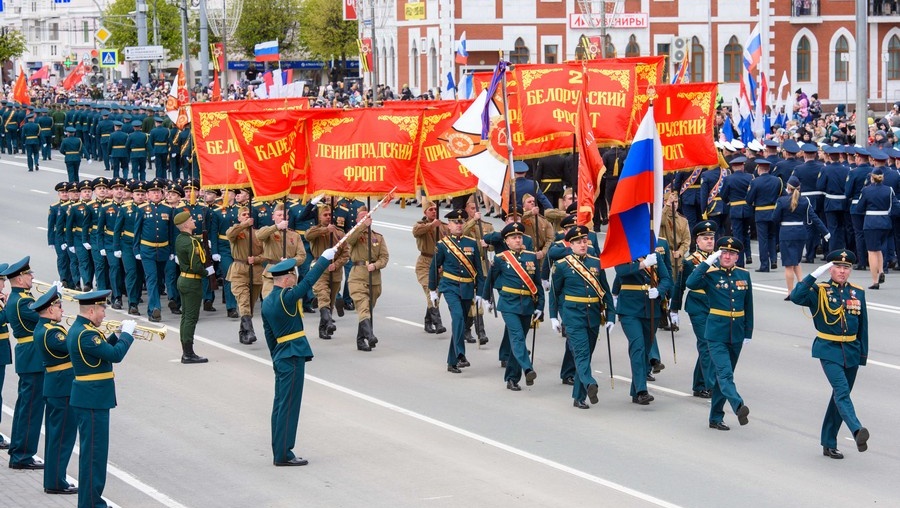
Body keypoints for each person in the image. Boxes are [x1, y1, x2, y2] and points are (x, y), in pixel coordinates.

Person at [789, 251, 870, 459]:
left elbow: (863, 327)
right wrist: (813, 276)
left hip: (851, 350)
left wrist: (862, 356)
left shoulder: (857, 293)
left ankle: (828, 442)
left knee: (839, 398)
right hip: (828, 349)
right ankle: (857, 430)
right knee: (842, 392)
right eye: (838, 267)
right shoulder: (819, 290)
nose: (842, 271)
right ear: (830, 269)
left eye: (846, 268)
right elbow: (796, 297)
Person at [262, 250, 335, 466]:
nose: (296, 280)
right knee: (289, 406)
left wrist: (276, 356)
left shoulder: (267, 301)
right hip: (293, 355)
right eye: (293, 276)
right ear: (286, 279)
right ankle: (283, 455)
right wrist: (323, 260)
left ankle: (279, 450)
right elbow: (308, 282)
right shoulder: (287, 297)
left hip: (281, 355)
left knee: (280, 404)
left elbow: (269, 336)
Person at [67, 290, 136, 508]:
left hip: (92, 399)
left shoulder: (83, 330)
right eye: (102, 310)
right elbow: (115, 355)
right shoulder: (86, 334)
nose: (104, 315)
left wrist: (115, 335)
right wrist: (127, 335)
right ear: (91, 310)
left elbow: (100, 353)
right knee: (94, 456)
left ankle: (91, 501)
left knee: (94, 454)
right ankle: (91, 503)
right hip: (92, 400)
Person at [685, 237, 753, 431]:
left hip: (737, 333)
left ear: (737, 257)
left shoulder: (743, 275)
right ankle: (738, 406)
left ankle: (715, 418)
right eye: (724, 252)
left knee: (726, 376)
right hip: (715, 333)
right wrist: (706, 263)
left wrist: (748, 332)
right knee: (724, 374)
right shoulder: (710, 274)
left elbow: (749, 305)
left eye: (731, 254)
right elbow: (690, 282)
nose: (727, 256)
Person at [549, 225, 615, 409]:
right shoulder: (562, 265)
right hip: (573, 316)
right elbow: (554, 293)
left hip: (593, 315)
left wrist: (611, 316)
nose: (583, 244)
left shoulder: (596, 263)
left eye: (584, 240)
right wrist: (553, 316)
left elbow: (606, 292)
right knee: (581, 353)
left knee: (586, 356)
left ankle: (579, 397)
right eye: (578, 242)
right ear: (570, 244)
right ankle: (590, 383)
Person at [483, 222, 544, 391]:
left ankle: (511, 378)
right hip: (509, 304)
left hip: (527, 305)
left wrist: (540, 305)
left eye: (519, 237)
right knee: (517, 338)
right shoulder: (501, 258)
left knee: (519, 341)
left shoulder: (530, 257)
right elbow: (491, 279)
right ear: (507, 241)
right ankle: (528, 368)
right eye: (513, 238)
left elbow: (537, 284)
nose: (517, 240)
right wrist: (487, 298)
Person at [30, 285, 77, 494]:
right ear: (50, 310)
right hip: (62, 387)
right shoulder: (52, 333)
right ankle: (56, 482)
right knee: (62, 438)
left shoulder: (44, 328)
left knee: (56, 436)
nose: (62, 311)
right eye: (59, 307)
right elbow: (75, 347)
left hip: (56, 385)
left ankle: (54, 479)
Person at [613, 246, 673, 405]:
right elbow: (620, 271)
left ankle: (635, 391)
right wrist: (642, 264)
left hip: (651, 308)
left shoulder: (655, 255)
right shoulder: (624, 252)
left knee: (645, 349)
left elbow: (667, 278)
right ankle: (642, 390)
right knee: (638, 346)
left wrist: (659, 290)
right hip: (629, 309)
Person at [1, 257, 46, 469]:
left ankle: (19, 449)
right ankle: (22, 456)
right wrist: (54, 298)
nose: (33, 277)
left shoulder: (20, 298)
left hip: (29, 356)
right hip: (33, 356)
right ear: (19, 278)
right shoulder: (21, 301)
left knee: (25, 406)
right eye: (29, 274)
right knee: (31, 408)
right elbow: (46, 317)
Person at [429, 209, 483, 372]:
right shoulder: (443, 245)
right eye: (455, 222)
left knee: (461, 323)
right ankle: (461, 355)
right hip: (450, 287)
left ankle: (451, 362)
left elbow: (479, 270)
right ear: (449, 226)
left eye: (461, 222)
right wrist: (433, 290)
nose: (459, 225)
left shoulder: (472, 243)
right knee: (458, 318)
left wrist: (481, 292)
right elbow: (434, 267)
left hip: (467, 288)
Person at [681, 221, 718, 399]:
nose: (709, 241)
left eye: (711, 238)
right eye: (705, 238)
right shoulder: (690, 262)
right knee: (706, 344)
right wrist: (673, 309)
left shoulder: (721, 258)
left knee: (708, 345)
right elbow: (679, 285)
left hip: (715, 306)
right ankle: (711, 384)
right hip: (697, 305)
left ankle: (699, 384)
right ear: (697, 240)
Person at [345, 207, 389, 352]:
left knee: (367, 310)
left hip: (374, 279)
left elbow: (384, 257)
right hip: (358, 277)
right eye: (362, 217)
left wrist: (376, 265)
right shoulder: (354, 234)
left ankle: (360, 340)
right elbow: (350, 240)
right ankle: (370, 336)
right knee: (363, 307)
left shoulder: (379, 237)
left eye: (367, 217)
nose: (365, 219)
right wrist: (362, 226)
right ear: (357, 220)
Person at [134, 179, 176, 322]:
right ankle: (154, 309)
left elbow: (171, 233)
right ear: (148, 195)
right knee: (151, 279)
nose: (156, 194)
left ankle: (156, 306)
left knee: (160, 280)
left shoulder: (168, 210)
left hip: (164, 249)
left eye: (158, 192)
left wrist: (172, 251)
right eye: (153, 192)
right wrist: (136, 250)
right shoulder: (142, 209)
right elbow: (137, 232)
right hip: (147, 250)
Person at [306, 204, 350, 340]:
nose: (328, 217)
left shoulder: (339, 233)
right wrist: (325, 230)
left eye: (330, 215)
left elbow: (346, 254)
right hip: (319, 268)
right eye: (325, 215)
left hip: (334, 271)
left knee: (330, 300)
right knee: (323, 295)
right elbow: (308, 236)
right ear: (319, 217)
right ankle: (328, 322)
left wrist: (336, 264)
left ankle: (324, 326)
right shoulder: (316, 231)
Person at [174, 211, 211, 363]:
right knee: (191, 318)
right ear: (186, 225)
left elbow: (190, 240)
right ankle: (188, 354)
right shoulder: (191, 242)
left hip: (183, 279)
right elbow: (196, 266)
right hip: (192, 283)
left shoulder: (181, 239)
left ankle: (186, 350)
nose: (193, 220)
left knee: (185, 317)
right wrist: (206, 272)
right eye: (191, 219)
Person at [856, 165, 900, 289]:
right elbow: (896, 207)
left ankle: (875, 280)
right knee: (879, 249)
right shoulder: (889, 190)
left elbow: (859, 208)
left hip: (871, 222)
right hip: (885, 222)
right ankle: (881, 271)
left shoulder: (866, 190)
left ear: (872, 178)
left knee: (871, 252)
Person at [226, 205, 264, 344]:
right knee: (243, 301)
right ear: (238, 217)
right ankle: (249, 331)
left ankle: (243, 332)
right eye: (244, 214)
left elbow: (266, 253)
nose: (247, 216)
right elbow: (230, 234)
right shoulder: (236, 231)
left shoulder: (258, 233)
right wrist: (243, 225)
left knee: (250, 305)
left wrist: (257, 259)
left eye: (249, 214)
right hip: (239, 270)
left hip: (255, 271)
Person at [412, 199, 449, 334]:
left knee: (437, 294)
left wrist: (443, 264)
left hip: (439, 263)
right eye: (430, 210)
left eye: (435, 209)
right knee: (430, 290)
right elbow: (416, 232)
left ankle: (428, 320)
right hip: (425, 262)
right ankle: (438, 322)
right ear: (425, 212)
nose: (434, 211)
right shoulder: (421, 225)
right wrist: (432, 225)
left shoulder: (444, 227)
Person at [257, 203, 306, 300]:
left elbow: (302, 255)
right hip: (272, 272)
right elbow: (260, 236)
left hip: (288, 272)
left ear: (287, 217)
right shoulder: (269, 231)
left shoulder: (294, 235)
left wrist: (290, 261)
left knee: (287, 303)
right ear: (273, 217)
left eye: (284, 215)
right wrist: (276, 227)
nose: (282, 218)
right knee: (269, 301)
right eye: (279, 215)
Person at [462, 196, 494, 345]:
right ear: (467, 209)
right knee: (470, 299)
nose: (475, 211)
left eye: (477, 208)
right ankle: (471, 329)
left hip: (482, 264)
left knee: (478, 298)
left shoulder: (486, 225)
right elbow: (461, 234)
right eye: (472, 208)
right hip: (468, 265)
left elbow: (495, 244)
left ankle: (479, 332)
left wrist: (488, 244)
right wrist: (473, 221)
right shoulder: (463, 224)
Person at [746, 159, 784, 272]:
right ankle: (773, 260)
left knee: (763, 239)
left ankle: (764, 265)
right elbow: (782, 195)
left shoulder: (755, 182)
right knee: (772, 237)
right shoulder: (777, 181)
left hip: (761, 213)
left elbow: (749, 199)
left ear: (759, 169)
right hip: (774, 212)